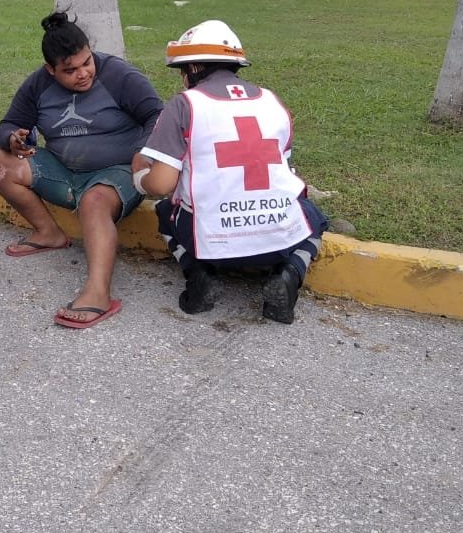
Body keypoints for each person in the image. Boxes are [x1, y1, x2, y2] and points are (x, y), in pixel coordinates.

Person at [132, 20, 329, 324]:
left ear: (193, 68)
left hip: (209, 244)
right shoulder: (272, 101)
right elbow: (285, 171)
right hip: (277, 239)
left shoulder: (185, 105)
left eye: (183, 71)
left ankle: (200, 274)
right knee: (314, 218)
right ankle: (289, 274)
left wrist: (138, 176)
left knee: (164, 212)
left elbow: (160, 184)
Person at [0, 11, 162, 329]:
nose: (83, 74)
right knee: (0, 162)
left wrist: (143, 152)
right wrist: (11, 139)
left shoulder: (118, 75)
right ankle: (48, 233)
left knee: (94, 201)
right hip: (64, 173)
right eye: (70, 70)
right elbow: (10, 124)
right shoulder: (37, 85)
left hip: (117, 173)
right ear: (50, 70)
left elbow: (157, 114)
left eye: (87, 62)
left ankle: (98, 294)